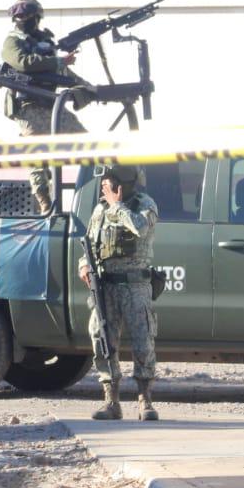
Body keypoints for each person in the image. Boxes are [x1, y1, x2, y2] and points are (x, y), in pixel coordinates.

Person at [78, 164, 159, 421]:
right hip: (106, 286)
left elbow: (140, 228)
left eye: (108, 181)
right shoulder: (100, 209)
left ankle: (145, 401)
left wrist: (117, 205)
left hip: (135, 286)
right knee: (102, 339)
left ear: (121, 184)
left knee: (143, 341)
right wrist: (83, 265)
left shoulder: (144, 205)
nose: (103, 185)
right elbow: (90, 243)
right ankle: (111, 401)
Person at [1, 0, 89, 215]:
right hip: (28, 106)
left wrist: (87, 88)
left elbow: (61, 72)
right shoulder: (12, 42)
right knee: (37, 157)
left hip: (51, 104)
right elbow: (23, 63)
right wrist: (59, 62)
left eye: (26, 16)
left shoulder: (44, 42)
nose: (22, 20)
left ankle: (94, 191)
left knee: (87, 144)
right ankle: (45, 205)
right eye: (19, 17)